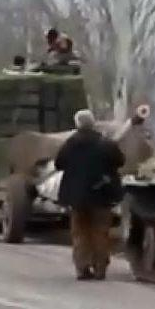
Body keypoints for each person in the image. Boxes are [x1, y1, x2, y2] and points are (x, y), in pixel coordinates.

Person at [54, 109, 126, 280]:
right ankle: (100, 268)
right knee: (100, 232)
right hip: (102, 195)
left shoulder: (70, 144)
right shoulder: (105, 143)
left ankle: (82, 268)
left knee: (80, 233)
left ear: (77, 124)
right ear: (93, 123)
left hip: (77, 198)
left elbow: (59, 164)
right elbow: (120, 161)